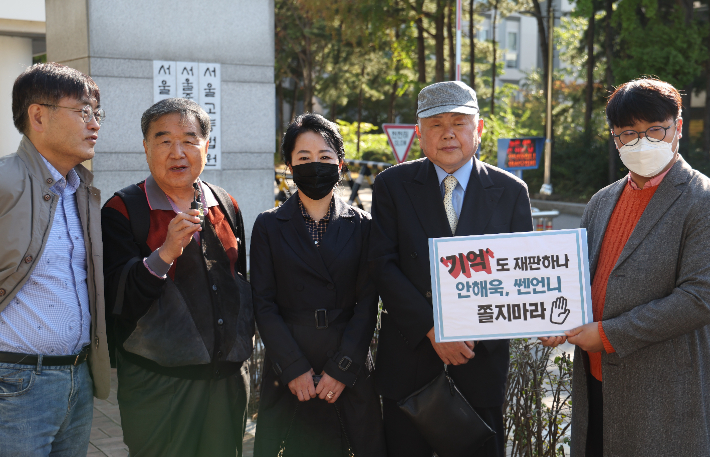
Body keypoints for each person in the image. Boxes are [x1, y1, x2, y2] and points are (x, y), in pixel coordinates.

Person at [369, 81, 533, 457]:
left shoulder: (510, 192)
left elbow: (521, 276)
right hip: (410, 362)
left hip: (480, 363)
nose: (448, 133)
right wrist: (433, 328)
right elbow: (382, 265)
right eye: (436, 123)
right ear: (419, 133)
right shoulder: (392, 185)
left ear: (479, 129)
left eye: (459, 122)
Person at [557, 78, 710, 456]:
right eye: (628, 133)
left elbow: (699, 298)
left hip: (663, 390)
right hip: (596, 383)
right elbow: (572, 280)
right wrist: (552, 320)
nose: (642, 142)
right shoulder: (601, 201)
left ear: (677, 126)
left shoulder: (700, 200)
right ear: (614, 138)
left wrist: (609, 335)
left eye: (654, 129)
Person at [101, 98, 253, 457]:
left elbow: (240, 281)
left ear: (206, 146)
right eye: (164, 140)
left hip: (227, 384)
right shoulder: (125, 209)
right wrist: (165, 252)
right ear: (146, 147)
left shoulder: (225, 204)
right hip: (158, 388)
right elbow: (117, 301)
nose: (177, 152)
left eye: (189, 139)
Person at [251, 113, 386, 457]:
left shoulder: (363, 225)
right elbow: (263, 304)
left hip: (348, 365)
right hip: (289, 367)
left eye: (325, 157)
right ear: (290, 166)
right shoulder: (268, 225)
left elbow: (367, 304)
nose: (315, 166)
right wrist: (293, 368)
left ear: (340, 164)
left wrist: (342, 369)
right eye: (304, 158)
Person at [0, 62, 111, 456]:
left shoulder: (82, 191)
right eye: (82, 112)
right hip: (15, 381)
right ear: (38, 116)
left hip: (77, 379)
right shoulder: (5, 182)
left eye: (97, 113)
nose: (94, 123)